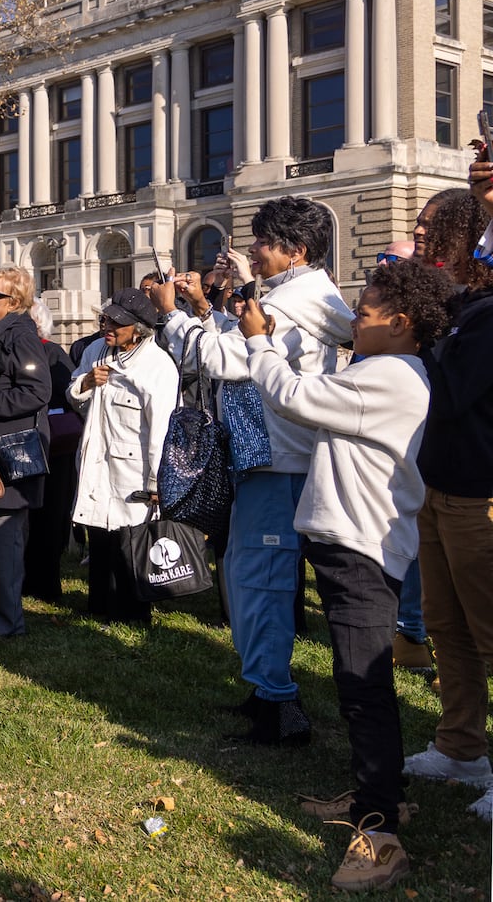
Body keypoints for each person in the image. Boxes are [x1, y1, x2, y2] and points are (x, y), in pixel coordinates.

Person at [243, 260, 452, 891]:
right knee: (356, 683)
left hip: (363, 551)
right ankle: (374, 795)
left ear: (401, 322)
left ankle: (381, 831)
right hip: (349, 546)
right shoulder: (380, 368)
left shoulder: (393, 377)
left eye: (361, 314)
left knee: (366, 690)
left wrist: (257, 338)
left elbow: (293, 397)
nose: (350, 322)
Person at [155, 196, 352, 746]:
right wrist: (213, 305)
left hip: (277, 459)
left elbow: (220, 358)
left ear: (297, 250)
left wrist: (173, 313)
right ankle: (265, 688)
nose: (256, 252)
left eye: (264, 242)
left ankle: (279, 704)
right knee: (248, 575)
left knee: (261, 581)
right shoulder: (302, 295)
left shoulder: (295, 302)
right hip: (268, 457)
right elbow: (239, 342)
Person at [403, 186, 493, 822]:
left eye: (434, 226)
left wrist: (416, 341)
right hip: (438, 492)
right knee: (448, 630)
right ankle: (461, 748)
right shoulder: (460, 307)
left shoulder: (487, 313)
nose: (422, 234)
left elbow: (454, 391)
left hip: (478, 494)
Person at [66, 288, 179, 626]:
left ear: (140, 328)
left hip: (134, 468)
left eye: (117, 322)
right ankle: (98, 606)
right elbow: (74, 393)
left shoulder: (158, 366)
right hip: (96, 460)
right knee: (99, 537)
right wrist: (85, 383)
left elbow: (160, 427)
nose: (108, 326)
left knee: (131, 544)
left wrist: (157, 481)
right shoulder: (95, 351)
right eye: (106, 318)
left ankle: (133, 614)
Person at [0, 267, 51, 638]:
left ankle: (6, 623)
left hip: (9, 454)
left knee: (4, 544)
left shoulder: (20, 334)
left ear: (15, 301)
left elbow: (37, 391)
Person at [24, 300, 79, 602]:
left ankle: (46, 582)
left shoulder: (52, 353)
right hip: (26, 444)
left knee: (51, 513)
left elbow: (68, 394)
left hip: (54, 446)